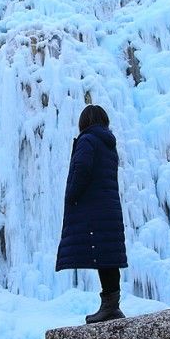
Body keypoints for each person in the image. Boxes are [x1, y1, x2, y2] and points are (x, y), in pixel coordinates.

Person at [55, 104, 128, 323]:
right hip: (109, 208)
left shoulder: (87, 140)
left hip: (94, 209)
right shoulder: (108, 144)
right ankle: (111, 305)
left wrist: (71, 194)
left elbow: (82, 169)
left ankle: (110, 307)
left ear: (84, 123)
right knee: (107, 256)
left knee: (102, 254)